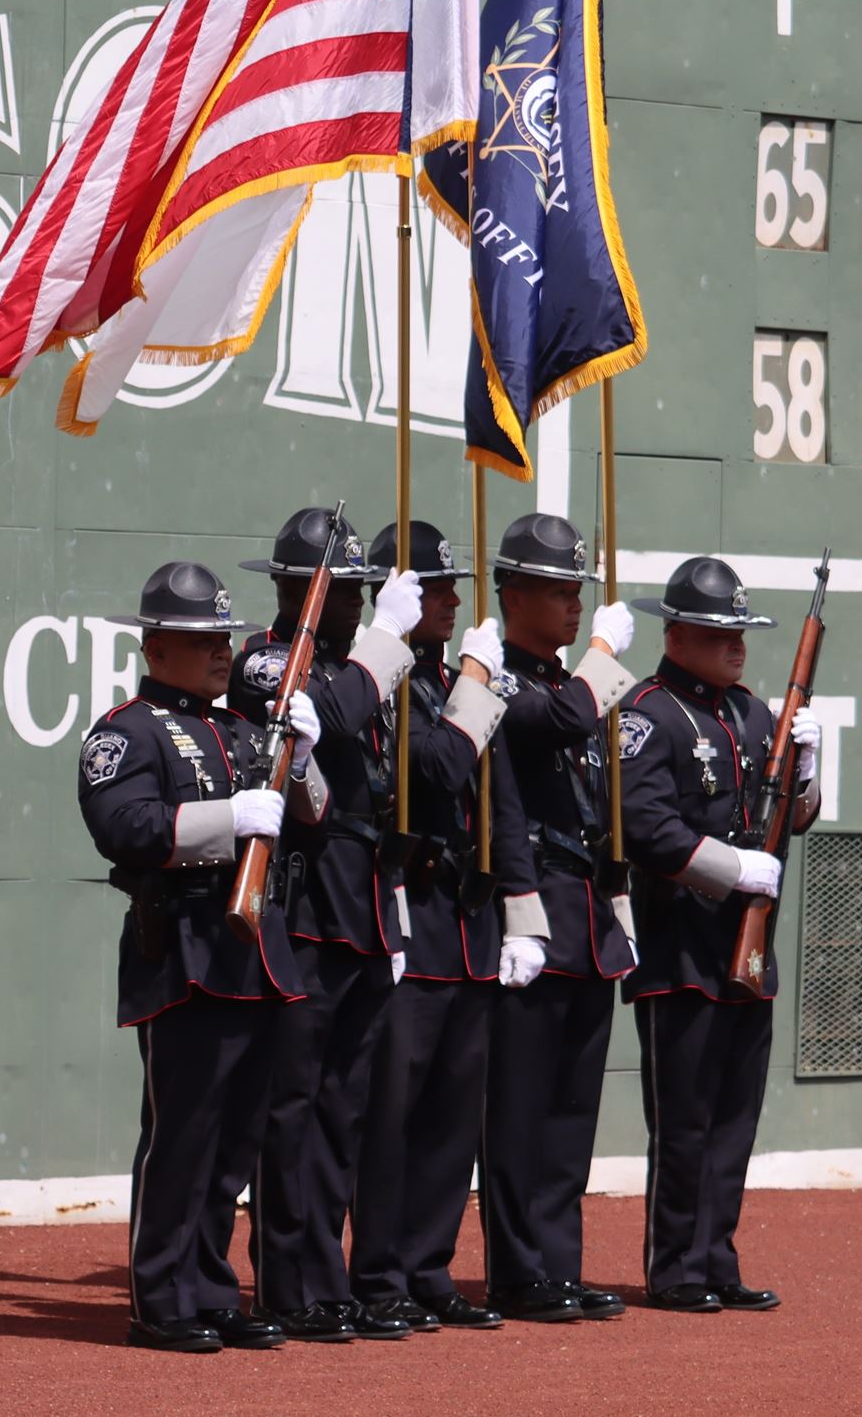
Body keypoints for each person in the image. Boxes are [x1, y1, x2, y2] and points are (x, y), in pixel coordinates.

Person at [77, 560, 332, 1354]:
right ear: (156, 646)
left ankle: (213, 1288)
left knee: (235, 1142)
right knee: (182, 1133)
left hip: (253, 949)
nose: (221, 652)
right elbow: (124, 824)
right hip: (184, 946)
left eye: (222, 636)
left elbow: (314, 815)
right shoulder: (127, 730)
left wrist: (306, 751)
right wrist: (225, 818)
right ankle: (161, 1295)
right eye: (199, 639)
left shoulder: (245, 730)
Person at [226, 508, 427, 1342]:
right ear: (296, 588)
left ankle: (327, 1273)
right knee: (293, 1104)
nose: (355, 603)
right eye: (340, 590)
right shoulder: (269, 657)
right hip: (304, 906)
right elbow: (335, 716)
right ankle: (286, 1278)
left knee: (344, 1105)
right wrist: (387, 640)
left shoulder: (352, 662)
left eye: (361, 593)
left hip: (363, 903)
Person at [619, 555, 820, 1313]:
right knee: (685, 1119)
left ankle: (717, 1256)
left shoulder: (754, 714)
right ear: (676, 634)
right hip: (682, 948)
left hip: (746, 950)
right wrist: (732, 869)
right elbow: (647, 826)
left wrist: (807, 771)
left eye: (741, 631)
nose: (736, 645)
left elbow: (790, 818)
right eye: (719, 631)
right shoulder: (650, 711)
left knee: (735, 1116)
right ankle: (675, 1266)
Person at [477, 512, 640, 1325]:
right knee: (519, 1107)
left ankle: (560, 1264)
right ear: (513, 592)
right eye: (556, 588)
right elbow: (559, 722)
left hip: (584, 912)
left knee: (573, 1107)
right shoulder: (501, 676)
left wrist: (620, 905)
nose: (573, 604)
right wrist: (605, 658)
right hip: (532, 911)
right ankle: (517, 1268)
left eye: (577, 589)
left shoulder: (561, 677)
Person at [348, 520, 510, 1333]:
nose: (449, 600)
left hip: (470, 918)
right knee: (393, 1113)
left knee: (453, 1112)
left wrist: (526, 913)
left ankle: (429, 1263)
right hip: (411, 910)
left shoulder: (459, 676)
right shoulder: (392, 682)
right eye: (435, 588)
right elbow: (440, 764)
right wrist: (478, 680)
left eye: (452, 587)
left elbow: (498, 799)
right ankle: (378, 1272)